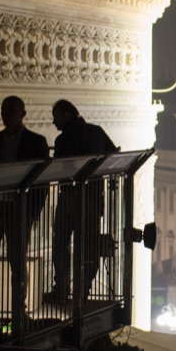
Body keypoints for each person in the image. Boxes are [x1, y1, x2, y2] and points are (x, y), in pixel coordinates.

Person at [47, 99, 117, 303]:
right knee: (88, 244)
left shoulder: (62, 140)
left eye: (56, 117)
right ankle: (82, 290)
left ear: (67, 114)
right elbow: (113, 154)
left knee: (60, 242)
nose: (54, 122)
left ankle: (61, 288)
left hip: (68, 195)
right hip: (93, 196)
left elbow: (62, 167)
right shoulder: (96, 131)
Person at [0, 96, 49, 315]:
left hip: (19, 208)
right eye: (5, 111)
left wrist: (31, 212)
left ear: (22, 114)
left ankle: (18, 307)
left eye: (12, 111)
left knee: (17, 260)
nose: (7, 115)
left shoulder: (34, 141)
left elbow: (42, 181)